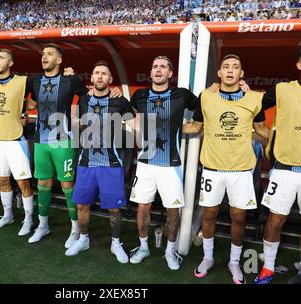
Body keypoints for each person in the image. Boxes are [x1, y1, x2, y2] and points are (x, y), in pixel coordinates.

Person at [183, 54, 269, 284]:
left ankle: (234, 261)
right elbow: (196, 126)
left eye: (236, 67)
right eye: (226, 67)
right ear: (219, 73)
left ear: (242, 74)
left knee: (238, 217)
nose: (230, 70)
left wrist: (287, 140)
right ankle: (208, 257)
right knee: (209, 215)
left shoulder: (254, 99)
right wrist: (166, 126)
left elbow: (261, 130)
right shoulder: (206, 97)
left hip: (241, 170)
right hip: (212, 168)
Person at [26, 44, 122, 248]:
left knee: (67, 186)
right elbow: (31, 103)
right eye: (43, 53)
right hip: (41, 143)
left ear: (59, 60)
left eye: (49, 54)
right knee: (42, 185)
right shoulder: (34, 81)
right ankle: (42, 225)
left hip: (63, 142)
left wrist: (114, 91)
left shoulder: (71, 81)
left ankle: (75, 231)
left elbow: (93, 95)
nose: (44, 56)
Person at [255, 44, 301, 284]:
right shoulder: (282, 90)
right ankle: (268, 267)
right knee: (275, 220)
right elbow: (253, 110)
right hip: (284, 170)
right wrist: (270, 136)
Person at [129, 55, 198, 270]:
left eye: (163, 67)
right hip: (145, 163)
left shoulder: (182, 95)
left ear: (170, 73)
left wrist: (181, 129)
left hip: (171, 165)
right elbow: (134, 121)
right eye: (155, 66)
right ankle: (143, 248)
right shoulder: (139, 95)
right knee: (142, 208)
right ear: (150, 73)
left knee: (173, 212)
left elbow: (204, 112)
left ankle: (170, 251)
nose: (158, 70)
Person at [65, 61, 133, 263]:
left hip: (111, 164)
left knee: (114, 208)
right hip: (86, 162)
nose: (100, 76)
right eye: (97, 73)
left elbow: (133, 125)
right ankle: (83, 239)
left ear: (111, 80)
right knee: (82, 206)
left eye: (104, 73)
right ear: (92, 79)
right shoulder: (84, 99)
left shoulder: (120, 102)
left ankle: (115, 243)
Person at [0, 49, 34, 235]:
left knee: (23, 182)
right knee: (2, 180)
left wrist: (26, 110)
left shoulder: (23, 81)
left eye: (1, 58)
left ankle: (29, 219)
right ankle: (8, 215)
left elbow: (40, 98)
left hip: (16, 141)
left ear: (11, 63)